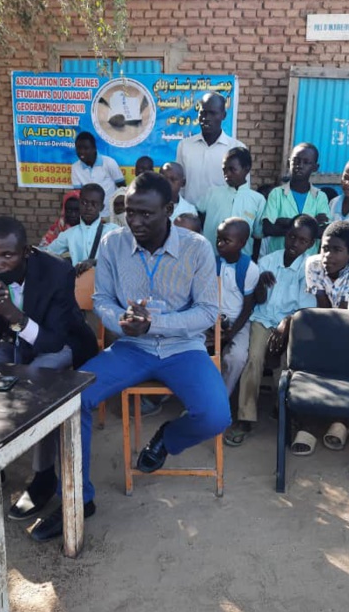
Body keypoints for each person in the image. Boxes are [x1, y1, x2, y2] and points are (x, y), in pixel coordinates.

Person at [28, 172, 230, 542]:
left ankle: (167, 438)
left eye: (145, 214)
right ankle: (76, 499)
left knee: (217, 415)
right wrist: (118, 321)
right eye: (129, 213)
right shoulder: (112, 244)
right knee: (72, 400)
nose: (134, 221)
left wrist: (157, 323)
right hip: (130, 348)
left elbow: (206, 313)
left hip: (182, 348)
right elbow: (102, 299)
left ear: (169, 210)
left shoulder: (197, 247)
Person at [0, 216, 98, 516]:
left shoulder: (57, 271)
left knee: (41, 381)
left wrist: (15, 316)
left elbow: (52, 340)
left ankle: (43, 476)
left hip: (59, 343)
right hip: (9, 343)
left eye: (7, 255)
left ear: (26, 251)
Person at [227, 216, 316, 446]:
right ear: (286, 236)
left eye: (302, 240)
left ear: (310, 244)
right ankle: (245, 417)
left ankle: (284, 410)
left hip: (292, 324)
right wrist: (260, 286)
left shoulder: (308, 269)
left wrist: (286, 324)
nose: (295, 243)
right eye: (292, 237)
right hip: (262, 320)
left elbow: (305, 310)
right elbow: (257, 300)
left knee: (287, 365)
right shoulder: (267, 261)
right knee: (253, 358)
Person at [291, 221, 349, 454]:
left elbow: (346, 315)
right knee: (309, 361)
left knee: (347, 365)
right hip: (325, 323)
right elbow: (323, 307)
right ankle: (308, 422)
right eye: (325, 248)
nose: (327, 255)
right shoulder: (313, 264)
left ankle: (342, 420)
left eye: (337, 250)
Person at [215, 218, 260, 398]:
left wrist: (232, 332)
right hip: (213, 318)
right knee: (196, 350)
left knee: (236, 357)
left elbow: (248, 307)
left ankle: (221, 397)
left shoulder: (250, 269)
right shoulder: (213, 263)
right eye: (218, 239)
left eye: (227, 241)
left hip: (240, 321)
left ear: (242, 243)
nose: (220, 244)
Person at [175, 92, 246, 206]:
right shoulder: (185, 146)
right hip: (189, 217)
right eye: (203, 113)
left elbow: (243, 190)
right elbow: (179, 186)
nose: (206, 118)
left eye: (213, 113)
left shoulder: (236, 148)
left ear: (223, 115)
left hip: (221, 216)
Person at [262, 142, 330, 254]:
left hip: (307, 261)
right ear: (289, 163)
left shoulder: (320, 197)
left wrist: (285, 222)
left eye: (306, 162)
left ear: (315, 167)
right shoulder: (277, 194)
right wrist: (312, 222)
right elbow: (268, 229)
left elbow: (324, 232)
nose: (300, 166)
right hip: (278, 258)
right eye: (296, 161)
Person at [198, 147, 264, 257]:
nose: (227, 174)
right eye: (224, 170)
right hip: (212, 257)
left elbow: (258, 236)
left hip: (242, 260)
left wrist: (254, 261)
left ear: (246, 169)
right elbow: (198, 214)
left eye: (232, 170)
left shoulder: (257, 200)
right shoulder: (212, 193)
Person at [46, 183, 119, 273]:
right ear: (79, 204)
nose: (88, 207)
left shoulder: (114, 232)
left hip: (107, 284)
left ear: (102, 207)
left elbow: (122, 258)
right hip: (80, 285)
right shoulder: (69, 234)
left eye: (94, 204)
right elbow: (47, 254)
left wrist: (95, 262)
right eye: (84, 203)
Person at [71, 132, 125, 218]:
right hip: (89, 217)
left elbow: (122, 187)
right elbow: (78, 194)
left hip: (110, 215)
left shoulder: (109, 163)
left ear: (94, 148)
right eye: (79, 148)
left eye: (86, 148)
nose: (82, 152)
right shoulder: (75, 168)